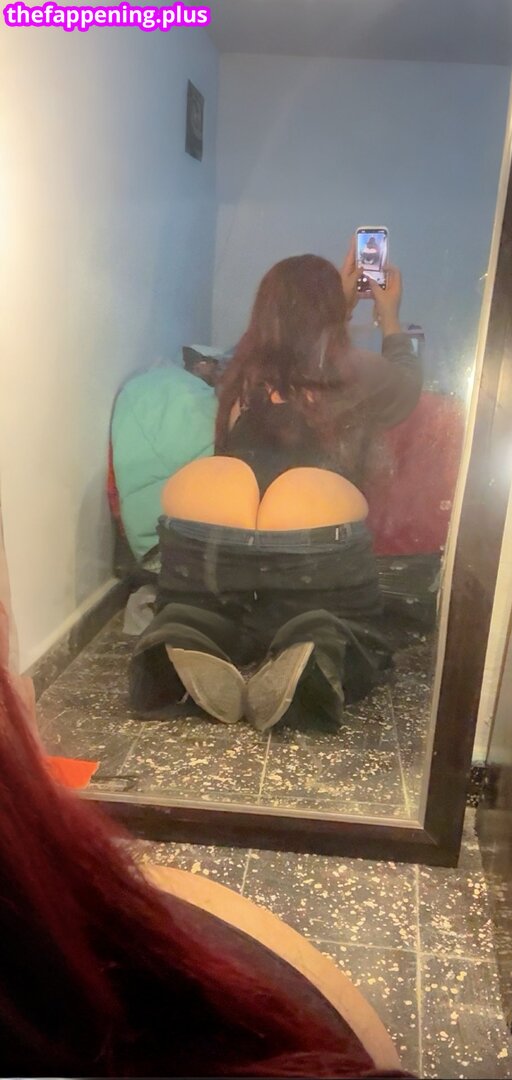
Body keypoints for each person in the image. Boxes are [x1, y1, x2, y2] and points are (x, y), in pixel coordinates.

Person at [0, 607, 411, 1077]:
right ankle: (311, 645)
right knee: (331, 622)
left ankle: (183, 646)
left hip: (212, 570)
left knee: (182, 615)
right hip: (310, 573)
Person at [129, 246, 422, 730]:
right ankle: (318, 641)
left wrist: (336, 307)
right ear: (333, 314)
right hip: (309, 548)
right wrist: (388, 316)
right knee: (343, 627)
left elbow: (294, 344)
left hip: (205, 542)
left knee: (208, 611)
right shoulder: (356, 371)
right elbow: (409, 386)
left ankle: (186, 630)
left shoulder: (240, 374)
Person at [110, 345, 226, 565]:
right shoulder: (176, 390)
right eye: (214, 365)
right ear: (198, 365)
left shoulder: (149, 387)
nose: (217, 371)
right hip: (174, 542)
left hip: (160, 542)